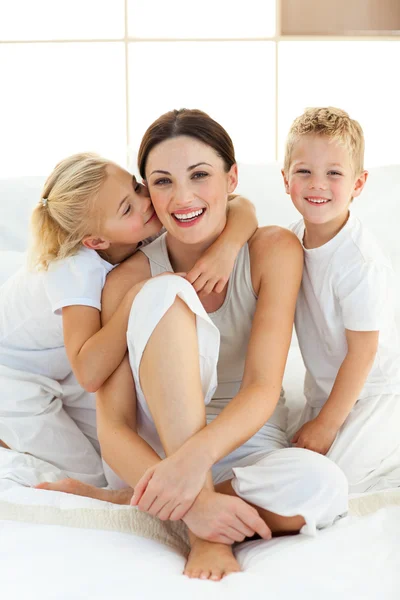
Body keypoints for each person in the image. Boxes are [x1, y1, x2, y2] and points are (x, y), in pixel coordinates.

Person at [40, 109, 348, 581]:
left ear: (232, 178)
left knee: (324, 486)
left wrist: (194, 471)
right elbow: (115, 429)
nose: (182, 197)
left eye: (200, 175)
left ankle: (138, 504)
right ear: (148, 193)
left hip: (242, 449)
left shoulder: (273, 251)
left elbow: (263, 389)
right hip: (154, 456)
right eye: (162, 182)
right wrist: (196, 504)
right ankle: (202, 529)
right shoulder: (130, 278)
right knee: (167, 290)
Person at [0, 151, 257, 484]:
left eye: (136, 187)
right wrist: (135, 297)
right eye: (127, 207)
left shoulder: (136, 229)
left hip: (64, 372)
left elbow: (240, 206)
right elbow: (89, 372)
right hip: (15, 378)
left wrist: (228, 247)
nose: (145, 201)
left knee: (132, 450)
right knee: (93, 476)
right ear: (95, 241)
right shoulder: (76, 270)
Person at [282, 106, 400, 493]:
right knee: (288, 464)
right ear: (286, 179)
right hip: (326, 392)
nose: (318, 184)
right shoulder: (291, 238)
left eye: (334, 173)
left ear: (359, 183)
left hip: (375, 395)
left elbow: (362, 353)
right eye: (304, 171)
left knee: (326, 486)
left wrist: (327, 425)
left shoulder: (359, 262)